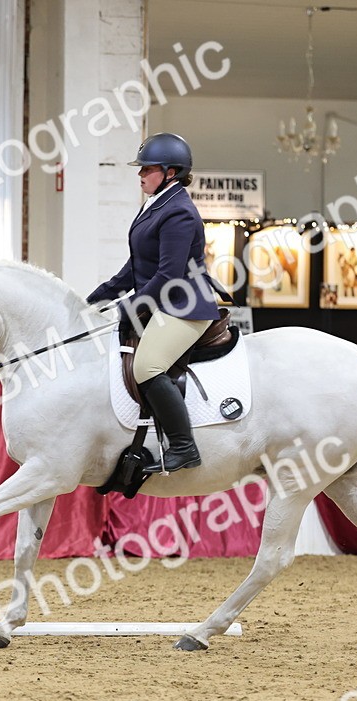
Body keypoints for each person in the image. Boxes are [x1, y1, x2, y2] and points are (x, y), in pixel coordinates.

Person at [85, 132, 222, 474]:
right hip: (163, 302)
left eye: (147, 168)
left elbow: (168, 275)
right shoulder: (156, 205)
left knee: (146, 366)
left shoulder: (180, 213)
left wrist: (131, 307)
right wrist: (100, 294)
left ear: (170, 172)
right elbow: (137, 265)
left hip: (185, 306)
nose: (140, 174)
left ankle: (183, 446)